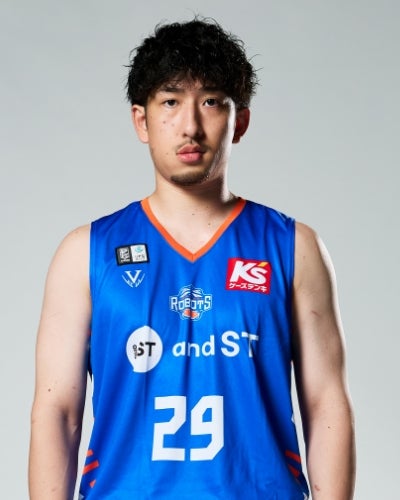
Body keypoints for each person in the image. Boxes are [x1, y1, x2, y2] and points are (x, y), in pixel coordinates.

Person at [29, 17, 356, 499]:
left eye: (211, 102)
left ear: (239, 122)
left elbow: (326, 403)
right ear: (141, 120)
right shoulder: (85, 252)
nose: (190, 126)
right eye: (170, 101)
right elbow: (58, 412)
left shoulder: (293, 246)